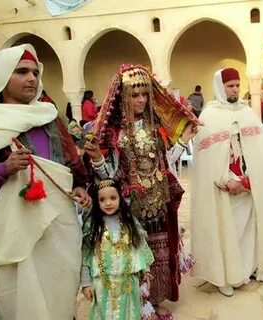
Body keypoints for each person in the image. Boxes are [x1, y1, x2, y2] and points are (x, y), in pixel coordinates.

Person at [84, 64, 198, 318]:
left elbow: (166, 162)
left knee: (159, 252)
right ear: (123, 96)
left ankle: (154, 302)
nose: (141, 100)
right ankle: (134, 305)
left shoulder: (155, 126)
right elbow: (109, 180)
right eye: (135, 95)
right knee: (132, 253)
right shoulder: (113, 133)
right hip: (129, 205)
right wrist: (97, 161)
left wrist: (182, 140)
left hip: (157, 199)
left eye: (144, 94)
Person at [0, 44, 90, 319]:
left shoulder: (50, 118)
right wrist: (3, 169)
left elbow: (74, 167)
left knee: (57, 295)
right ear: (2, 77)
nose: (32, 78)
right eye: (22, 72)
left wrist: (80, 187)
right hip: (13, 231)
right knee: (19, 301)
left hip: (59, 226)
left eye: (35, 72)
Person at [191, 67, 263, 297]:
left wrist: (249, 179)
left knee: (252, 227)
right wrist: (225, 180)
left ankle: (255, 267)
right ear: (220, 87)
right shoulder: (209, 116)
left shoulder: (247, 112)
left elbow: (261, 151)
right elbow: (206, 160)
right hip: (224, 188)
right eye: (230, 86)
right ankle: (225, 275)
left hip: (248, 184)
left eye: (237, 85)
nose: (235, 89)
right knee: (227, 231)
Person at [81, 179, 154, 320]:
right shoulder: (92, 226)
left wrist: (146, 270)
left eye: (113, 198)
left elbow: (140, 246)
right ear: (97, 202)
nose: (108, 203)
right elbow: (86, 255)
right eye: (102, 199)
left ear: (120, 198)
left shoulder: (130, 222)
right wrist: (86, 283)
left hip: (128, 284)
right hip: (102, 285)